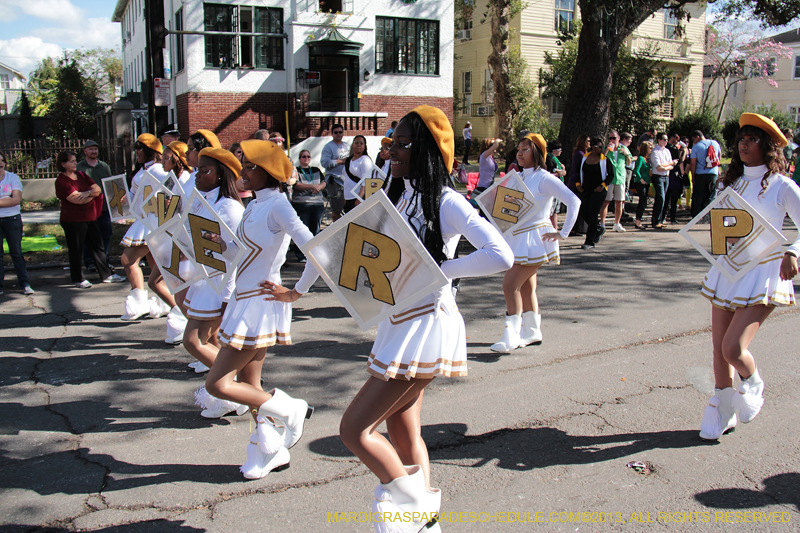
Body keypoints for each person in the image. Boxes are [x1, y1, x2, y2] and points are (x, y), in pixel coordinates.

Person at [333, 106, 512, 530]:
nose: (392, 149)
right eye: (391, 142)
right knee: (402, 429)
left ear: (428, 151)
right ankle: (425, 520)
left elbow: (501, 255)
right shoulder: (393, 194)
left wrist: (443, 270)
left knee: (354, 430)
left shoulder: (447, 201)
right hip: (397, 322)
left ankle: (410, 508)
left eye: (403, 143)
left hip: (427, 322)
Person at [204, 139, 320, 479]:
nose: (243, 170)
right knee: (248, 381)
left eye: (250, 165)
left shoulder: (279, 206)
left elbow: (314, 248)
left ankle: (290, 408)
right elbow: (244, 255)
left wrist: (296, 291)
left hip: (260, 302)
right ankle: (267, 447)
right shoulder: (255, 204)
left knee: (217, 384)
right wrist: (221, 245)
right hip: (244, 300)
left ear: (266, 172)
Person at [698, 113, 800, 441]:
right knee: (718, 349)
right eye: (742, 138)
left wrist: (793, 252)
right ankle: (723, 405)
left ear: (768, 146)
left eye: (752, 139)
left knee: (733, 348)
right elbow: (722, 227)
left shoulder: (783, 185)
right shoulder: (732, 182)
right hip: (730, 270)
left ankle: (753, 383)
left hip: (766, 272)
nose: (744, 144)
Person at [491, 133, 580, 352]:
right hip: (518, 237)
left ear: (538, 152)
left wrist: (563, 233)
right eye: (519, 149)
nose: (520, 153)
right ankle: (531, 332)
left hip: (536, 239)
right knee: (526, 287)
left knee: (510, 284)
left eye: (526, 149)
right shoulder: (518, 176)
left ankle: (511, 334)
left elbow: (573, 201)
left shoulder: (544, 178)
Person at [184, 148, 246, 418]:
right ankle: (235, 391)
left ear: (221, 176)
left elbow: (238, 253)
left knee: (193, 341)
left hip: (218, 283)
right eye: (198, 169)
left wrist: (227, 294)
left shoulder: (230, 207)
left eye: (206, 170)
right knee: (212, 341)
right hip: (203, 278)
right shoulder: (203, 200)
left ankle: (235, 390)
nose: (198, 175)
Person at [167, 129, 223, 348]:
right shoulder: (192, 178)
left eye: (191, 149)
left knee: (205, 308)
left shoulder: (211, 183)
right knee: (184, 298)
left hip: (201, 248)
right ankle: (212, 353)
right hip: (187, 242)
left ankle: (213, 355)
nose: (187, 152)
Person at [54, 151, 125, 288]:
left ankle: (106, 275)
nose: (75, 163)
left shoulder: (81, 175)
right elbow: (76, 200)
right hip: (73, 220)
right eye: (71, 161)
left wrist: (87, 193)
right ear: (63, 164)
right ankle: (77, 278)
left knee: (98, 246)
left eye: (75, 160)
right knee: (76, 249)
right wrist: (91, 194)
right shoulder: (62, 181)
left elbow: (97, 189)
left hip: (91, 217)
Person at [119, 134, 171, 319]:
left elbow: (174, 190)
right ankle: (165, 301)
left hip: (153, 221)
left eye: (139, 148)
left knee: (127, 259)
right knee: (154, 264)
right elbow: (135, 199)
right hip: (143, 220)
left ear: (150, 151)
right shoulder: (141, 171)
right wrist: (124, 201)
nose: (136, 152)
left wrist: (166, 203)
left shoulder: (159, 170)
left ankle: (141, 301)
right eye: (136, 148)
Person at [0, 152, 33, 295]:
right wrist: (6, 199)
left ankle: (25, 284)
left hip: (12, 219)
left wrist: (10, 199)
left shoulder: (12, 178)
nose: (0, 163)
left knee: (16, 252)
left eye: (1, 160)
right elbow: (10, 199)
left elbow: (15, 200)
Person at [77, 140, 113, 272]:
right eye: (91, 149)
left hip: (103, 207)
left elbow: (110, 185)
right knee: (88, 235)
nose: (94, 152)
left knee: (106, 234)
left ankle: (105, 260)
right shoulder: (79, 167)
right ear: (85, 151)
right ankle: (90, 262)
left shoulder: (104, 167)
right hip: (87, 207)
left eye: (95, 149)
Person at [576, 137, 614, 248]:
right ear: (593, 147)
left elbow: (611, 175)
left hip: (598, 191)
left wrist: (602, 186)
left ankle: (589, 241)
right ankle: (597, 228)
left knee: (593, 213)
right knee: (583, 211)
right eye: (600, 147)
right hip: (586, 189)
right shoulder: (584, 158)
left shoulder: (604, 160)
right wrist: (578, 184)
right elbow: (578, 172)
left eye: (603, 146)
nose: (602, 149)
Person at [291, 149, 326, 262]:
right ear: (300, 158)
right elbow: (296, 185)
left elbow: (324, 181)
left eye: (308, 157)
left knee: (315, 229)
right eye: (303, 157)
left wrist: (319, 187)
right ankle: (301, 254)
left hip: (317, 203)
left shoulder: (315, 170)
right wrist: (312, 187)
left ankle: (313, 253)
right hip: (302, 204)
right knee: (302, 230)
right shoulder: (296, 170)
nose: (306, 159)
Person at [598, 130, 631, 233]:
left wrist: (627, 155)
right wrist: (607, 150)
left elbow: (629, 162)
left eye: (614, 138)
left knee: (619, 202)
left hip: (620, 177)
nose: (612, 140)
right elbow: (601, 159)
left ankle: (617, 223)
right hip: (609, 178)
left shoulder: (623, 148)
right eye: (610, 138)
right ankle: (602, 223)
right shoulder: (606, 148)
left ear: (618, 139)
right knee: (606, 201)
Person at [689, 130, 721, 218]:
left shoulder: (696, 147)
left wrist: (693, 176)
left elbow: (693, 163)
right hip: (713, 173)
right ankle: (708, 216)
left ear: (698, 137)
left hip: (700, 173)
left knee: (698, 195)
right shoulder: (715, 143)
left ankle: (696, 216)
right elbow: (719, 156)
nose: (693, 141)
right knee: (710, 195)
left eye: (693, 139)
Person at [321, 124, 350, 221]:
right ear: (332, 134)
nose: (338, 134)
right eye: (336, 132)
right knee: (336, 211)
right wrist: (341, 161)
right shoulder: (328, 147)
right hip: (335, 182)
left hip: (347, 181)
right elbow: (324, 162)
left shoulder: (347, 146)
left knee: (348, 209)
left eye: (340, 132)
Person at [649, 133, 677, 229]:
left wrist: (666, 166)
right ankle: (655, 220)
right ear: (659, 140)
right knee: (660, 197)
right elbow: (658, 167)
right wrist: (669, 165)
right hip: (658, 176)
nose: (666, 141)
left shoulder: (667, 151)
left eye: (666, 139)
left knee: (664, 198)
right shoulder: (655, 151)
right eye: (664, 139)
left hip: (666, 176)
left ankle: (660, 219)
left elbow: (671, 166)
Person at [343, 135, 372, 213]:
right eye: (356, 143)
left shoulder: (365, 160)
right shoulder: (349, 160)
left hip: (357, 197)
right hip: (348, 197)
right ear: (353, 144)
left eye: (361, 143)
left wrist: (359, 198)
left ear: (364, 146)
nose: (358, 145)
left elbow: (366, 180)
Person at [545, 140, 567, 229]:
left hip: (558, 188)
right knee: (551, 210)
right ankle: (551, 228)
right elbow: (548, 174)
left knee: (555, 211)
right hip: (552, 188)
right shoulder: (549, 159)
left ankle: (555, 227)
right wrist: (560, 173)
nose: (561, 151)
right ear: (554, 150)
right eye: (559, 149)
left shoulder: (555, 159)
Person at [631, 141, 653, 229]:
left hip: (646, 182)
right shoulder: (640, 158)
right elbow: (636, 170)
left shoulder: (647, 159)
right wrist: (641, 179)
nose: (651, 150)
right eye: (649, 148)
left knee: (644, 202)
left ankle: (639, 221)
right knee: (642, 201)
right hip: (640, 183)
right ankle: (637, 221)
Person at [229, 142, 253, 207]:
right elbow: (241, 186)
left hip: (250, 198)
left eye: (243, 152)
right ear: (232, 154)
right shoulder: (231, 168)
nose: (241, 154)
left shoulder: (247, 166)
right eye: (239, 152)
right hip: (240, 199)